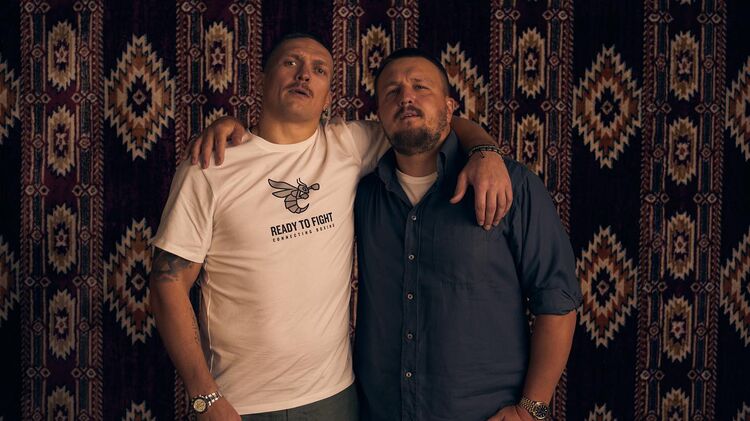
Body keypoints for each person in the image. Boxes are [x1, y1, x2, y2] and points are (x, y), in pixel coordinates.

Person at [150, 33, 512, 421]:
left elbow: (434, 120)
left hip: (334, 397)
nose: (304, 74)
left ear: (328, 98)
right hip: (239, 402)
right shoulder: (211, 165)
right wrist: (205, 397)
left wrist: (486, 151)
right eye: (291, 62)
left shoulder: (348, 146)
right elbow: (167, 284)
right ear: (261, 80)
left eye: (319, 70)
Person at [352, 48, 582, 421]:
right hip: (381, 411)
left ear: (450, 107)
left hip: (482, 412)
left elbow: (557, 301)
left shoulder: (513, 185)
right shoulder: (361, 193)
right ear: (378, 114)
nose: (406, 97)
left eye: (420, 87)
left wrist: (531, 409)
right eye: (391, 91)